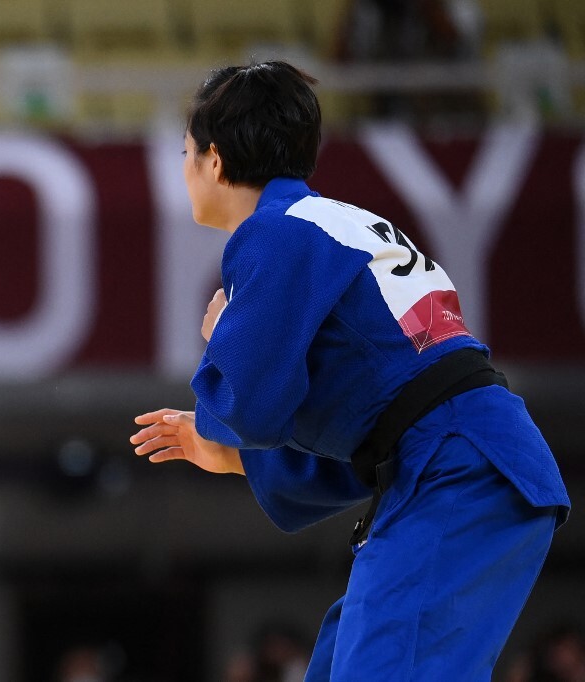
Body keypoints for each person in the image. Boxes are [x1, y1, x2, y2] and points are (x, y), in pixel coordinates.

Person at [129, 61, 570, 680]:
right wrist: (224, 453)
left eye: (186, 153)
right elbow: (365, 421)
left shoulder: (274, 234)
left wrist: (220, 339)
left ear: (216, 161)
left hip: (457, 470)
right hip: (461, 463)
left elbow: (248, 406)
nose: (184, 170)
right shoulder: (340, 224)